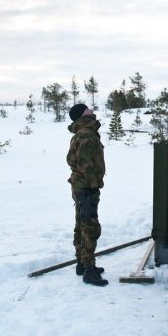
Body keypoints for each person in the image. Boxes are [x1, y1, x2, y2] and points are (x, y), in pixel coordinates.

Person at [66, 103, 108, 286]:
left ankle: (82, 264)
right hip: (86, 188)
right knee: (90, 228)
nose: (91, 110)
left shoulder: (83, 133)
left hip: (80, 186)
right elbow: (84, 163)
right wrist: (93, 184)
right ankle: (89, 271)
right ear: (83, 114)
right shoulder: (86, 134)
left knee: (81, 224)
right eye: (88, 109)